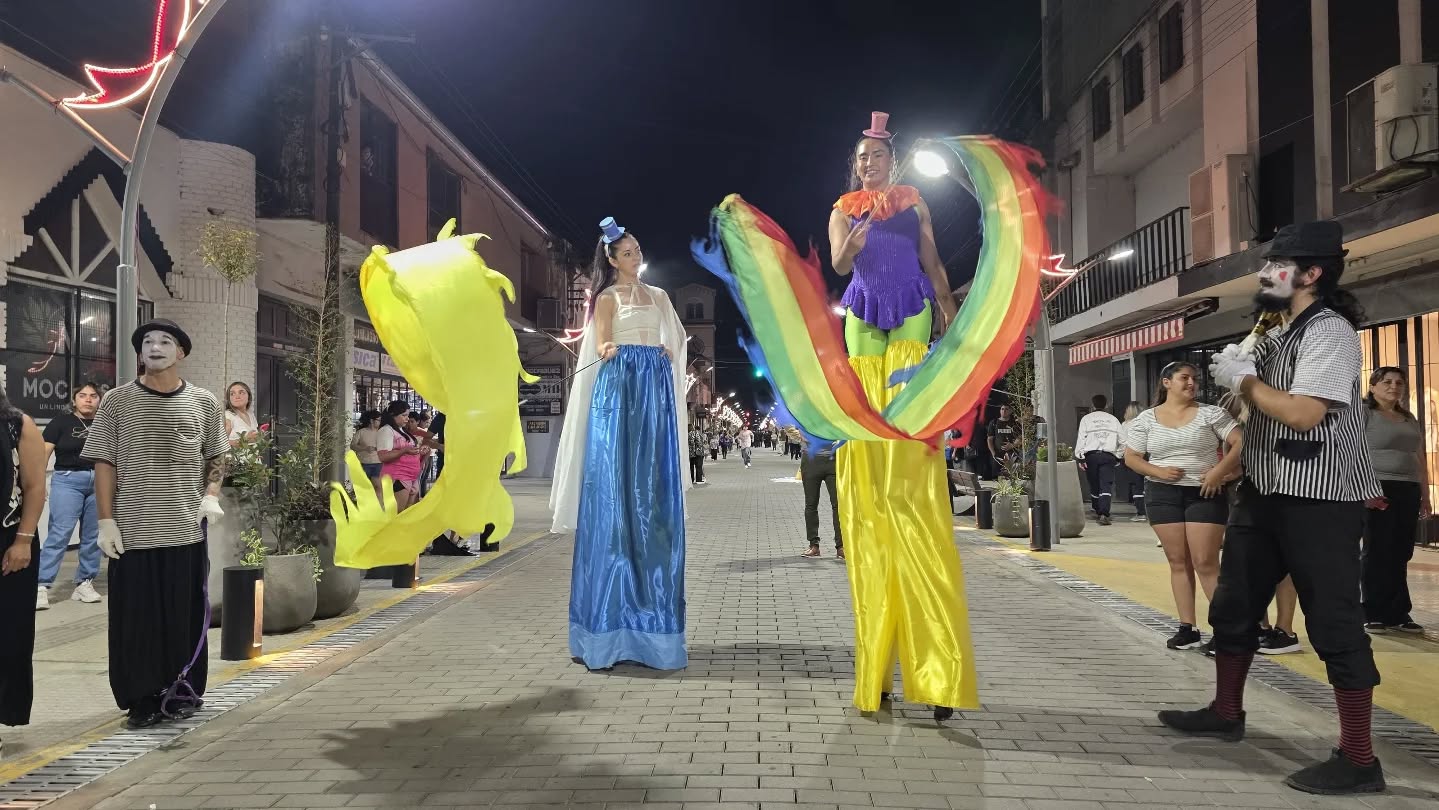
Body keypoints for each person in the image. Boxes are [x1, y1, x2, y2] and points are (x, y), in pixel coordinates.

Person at [1161, 221, 1385, 795]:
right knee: (1233, 605)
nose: (1265, 275)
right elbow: (1251, 411)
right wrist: (1237, 384)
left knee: (1333, 620)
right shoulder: (1278, 331)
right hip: (1264, 489)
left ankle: (1360, 758)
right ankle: (1226, 711)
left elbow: (1305, 413)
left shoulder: (1329, 331)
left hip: (1321, 497)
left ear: (1310, 274)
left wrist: (1247, 382)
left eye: (1276, 266)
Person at [829, 112, 974, 720]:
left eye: (878, 156)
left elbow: (934, 264)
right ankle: (874, 436)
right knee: (870, 405)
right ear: (856, 165)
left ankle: (908, 435)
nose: (870, 164)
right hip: (864, 310)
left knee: (905, 402)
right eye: (862, 158)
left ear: (892, 162)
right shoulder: (843, 209)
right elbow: (840, 266)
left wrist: (950, 315)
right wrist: (852, 244)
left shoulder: (914, 203)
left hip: (912, 305)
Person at [550, 217, 689, 671]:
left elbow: (676, 338)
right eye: (627, 252)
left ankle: (654, 631)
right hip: (622, 385)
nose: (635, 257)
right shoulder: (606, 298)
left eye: (637, 250)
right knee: (613, 490)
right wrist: (610, 349)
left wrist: (667, 352)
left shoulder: (660, 296)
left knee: (652, 494)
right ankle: (605, 631)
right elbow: (602, 341)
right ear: (612, 260)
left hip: (653, 386)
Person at [83, 319, 229, 729]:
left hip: (185, 531)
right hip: (133, 533)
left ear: (181, 352)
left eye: (166, 341)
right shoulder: (117, 402)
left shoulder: (203, 402)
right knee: (136, 621)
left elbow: (216, 455)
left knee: (183, 617)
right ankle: (142, 698)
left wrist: (211, 494)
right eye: (147, 341)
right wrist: (105, 520)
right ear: (140, 352)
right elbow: (104, 462)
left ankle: (182, 691)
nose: (155, 347)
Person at [1123, 363, 1242, 653]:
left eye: (1194, 379)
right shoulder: (1146, 419)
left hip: (1204, 492)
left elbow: (1241, 442)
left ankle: (1226, 631)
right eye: (1184, 378)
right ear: (1166, 382)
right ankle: (1187, 628)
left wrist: (1219, 473)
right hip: (1162, 494)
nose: (1191, 383)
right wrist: (1158, 471)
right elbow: (1132, 457)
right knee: (1178, 561)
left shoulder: (1212, 413)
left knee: (1205, 562)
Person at [1361, 366, 1429, 634]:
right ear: (1373, 387)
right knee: (1378, 549)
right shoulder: (1364, 414)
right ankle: (1373, 611)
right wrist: (1365, 489)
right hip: (1378, 487)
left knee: (1401, 551)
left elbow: (1419, 457)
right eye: (1387, 381)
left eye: (1399, 382)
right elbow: (1353, 453)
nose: (1394, 386)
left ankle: (1398, 612)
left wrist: (1425, 495)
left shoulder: (1409, 418)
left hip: (1408, 488)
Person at [1, 389, 47, 751]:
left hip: (10, 542)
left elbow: (34, 486)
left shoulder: (18, 425)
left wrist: (23, 540)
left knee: (8, 637)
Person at [36, 382, 103, 608]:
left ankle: (84, 582)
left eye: (93, 395)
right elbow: (44, 453)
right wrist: (38, 483)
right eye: (82, 395)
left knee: (93, 536)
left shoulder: (105, 423)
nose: (88, 399)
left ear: (99, 400)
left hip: (99, 481)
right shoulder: (60, 422)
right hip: (68, 480)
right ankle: (41, 585)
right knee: (60, 532)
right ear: (74, 400)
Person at [1075, 394, 1122, 526]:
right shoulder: (1113, 419)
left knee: (1094, 484)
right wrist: (1118, 455)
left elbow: (1081, 438)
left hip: (1091, 456)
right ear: (1106, 405)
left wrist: (1080, 458)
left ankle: (1097, 509)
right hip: (1108, 456)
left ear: (1092, 405)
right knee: (1106, 484)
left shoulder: (1086, 419)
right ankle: (1104, 513)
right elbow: (1123, 441)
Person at [377, 400, 424, 512]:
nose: (407, 419)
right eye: (404, 415)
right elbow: (383, 456)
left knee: (407, 513)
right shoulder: (386, 430)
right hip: (398, 476)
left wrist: (420, 451)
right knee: (398, 513)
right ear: (393, 415)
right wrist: (405, 450)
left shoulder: (401, 430)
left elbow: (407, 452)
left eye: (407, 415)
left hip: (411, 477)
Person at [799, 439, 843, 559]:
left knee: (838, 505)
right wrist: (802, 435)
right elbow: (791, 427)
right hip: (810, 459)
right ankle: (814, 545)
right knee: (811, 504)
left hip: (834, 459)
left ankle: (841, 546)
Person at [1116, 402, 1147, 522]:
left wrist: (1118, 456)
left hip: (1131, 457)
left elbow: (1122, 442)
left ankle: (1141, 513)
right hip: (1145, 456)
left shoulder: (1125, 425)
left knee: (1136, 485)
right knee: (1144, 484)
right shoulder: (1145, 422)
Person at [350, 410, 384, 487]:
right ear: (371, 421)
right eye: (379, 420)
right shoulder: (361, 432)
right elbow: (352, 446)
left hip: (379, 464)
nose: (380, 422)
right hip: (364, 464)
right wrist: (365, 448)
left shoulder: (381, 432)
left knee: (378, 487)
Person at [223, 382, 259, 450]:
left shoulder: (250, 414)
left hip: (251, 456)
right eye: (232, 394)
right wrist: (246, 439)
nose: (237, 397)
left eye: (241, 393)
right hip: (234, 456)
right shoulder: (228, 416)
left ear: (249, 396)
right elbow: (220, 444)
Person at [988, 404, 1020, 472]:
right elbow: (990, 439)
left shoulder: (1015, 423)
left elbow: (1019, 438)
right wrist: (993, 453)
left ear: (1010, 411)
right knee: (997, 475)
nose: (1004, 411)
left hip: (1012, 455)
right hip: (997, 455)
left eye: (1006, 409)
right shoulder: (994, 422)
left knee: (1011, 474)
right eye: (1002, 409)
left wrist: (1012, 445)